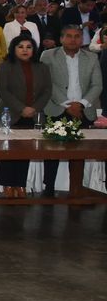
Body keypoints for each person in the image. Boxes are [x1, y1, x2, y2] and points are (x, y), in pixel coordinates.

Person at [39, 25, 102, 195]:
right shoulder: (48, 55)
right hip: (57, 108)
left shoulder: (92, 57)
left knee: (79, 153)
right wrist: (68, 104)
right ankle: (49, 188)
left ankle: (76, 188)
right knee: (52, 152)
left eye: (77, 36)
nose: (73, 40)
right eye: (69, 36)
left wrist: (80, 104)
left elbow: (97, 85)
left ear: (82, 39)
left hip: (83, 110)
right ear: (61, 39)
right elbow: (47, 82)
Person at [0, 36, 50, 195]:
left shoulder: (42, 67)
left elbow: (47, 91)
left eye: (28, 47)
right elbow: (2, 91)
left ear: (34, 50)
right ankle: (7, 184)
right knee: (8, 150)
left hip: (33, 114)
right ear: (14, 49)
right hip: (10, 113)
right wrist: (21, 108)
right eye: (20, 47)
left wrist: (34, 108)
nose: (25, 50)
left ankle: (20, 184)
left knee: (25, 151)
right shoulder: (5, 66)